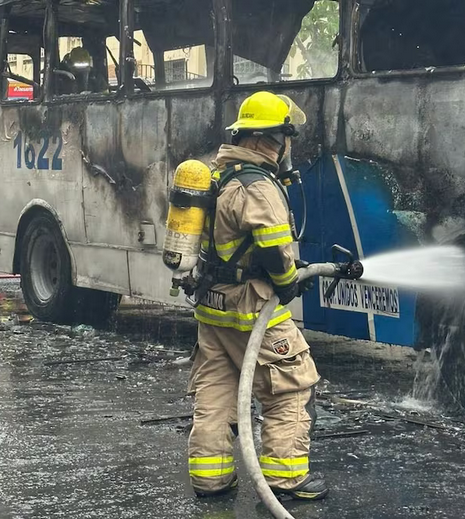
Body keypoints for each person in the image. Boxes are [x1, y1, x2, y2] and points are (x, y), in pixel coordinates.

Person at [187, 91, 327, 500]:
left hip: (213, 308)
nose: (288, 148)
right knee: (290, 387)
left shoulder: (219, 176)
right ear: (271, 140)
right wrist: (288, 281)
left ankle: (210, 479)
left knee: (215, 392)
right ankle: (285, 480)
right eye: (287, 138)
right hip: (252, 309)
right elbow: (272, 247)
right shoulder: (257, 187)